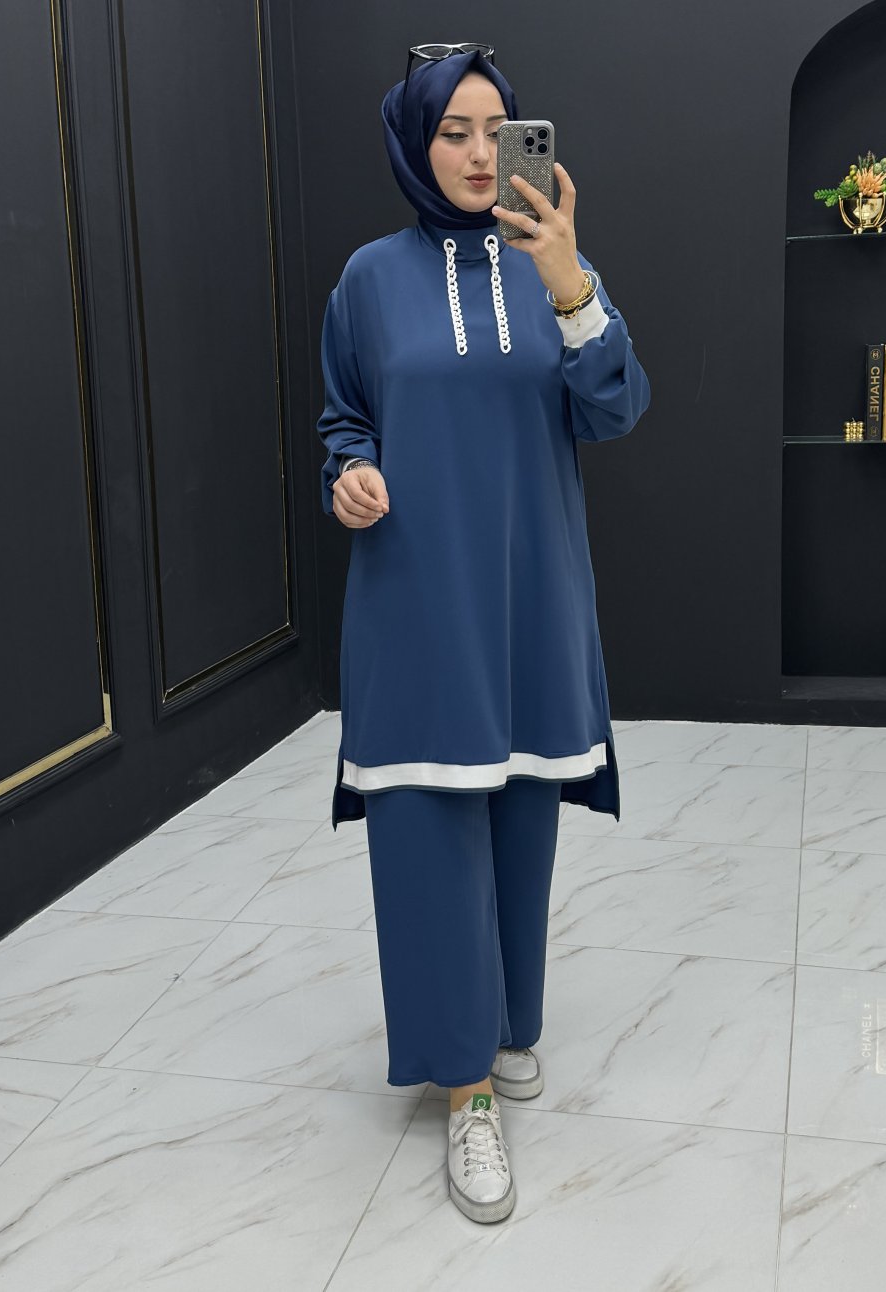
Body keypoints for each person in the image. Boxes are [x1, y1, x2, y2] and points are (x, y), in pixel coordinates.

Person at [315, 44, 650, 1225]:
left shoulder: (553, 265)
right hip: (413, 601)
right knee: (427, 829)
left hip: (529, 597)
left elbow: (615, 407)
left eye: (492, 129)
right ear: (414, 141)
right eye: (450, 130)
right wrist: (348, 474)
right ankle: (464, 1090)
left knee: (517, 815)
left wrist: (568, 284)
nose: (472, 152)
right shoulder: (367, 280)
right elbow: (344, 418)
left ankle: (506, 1025)